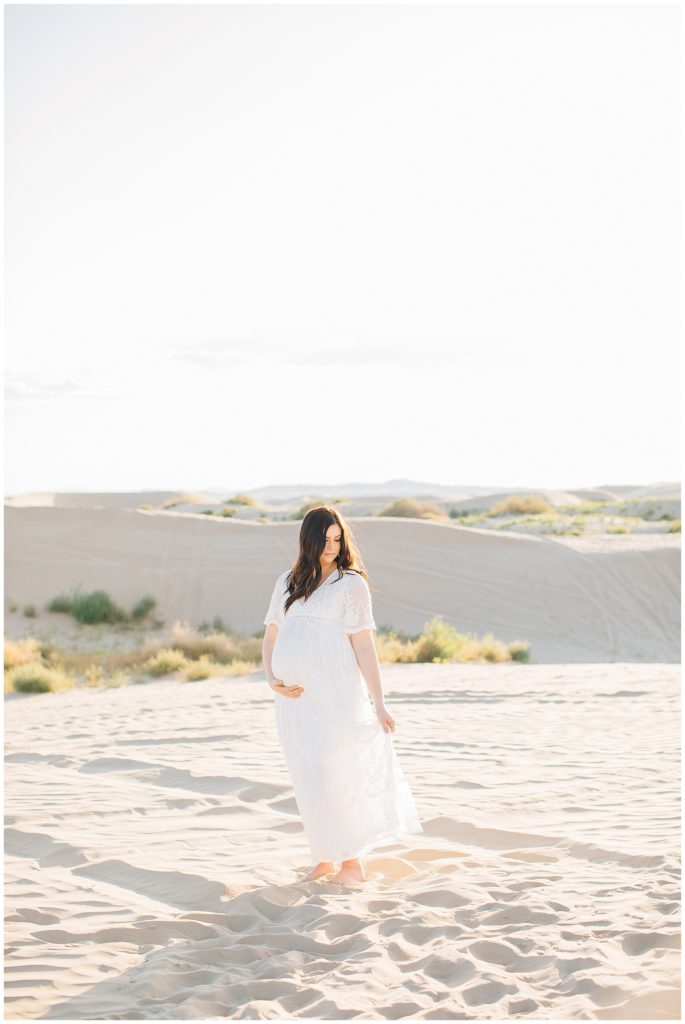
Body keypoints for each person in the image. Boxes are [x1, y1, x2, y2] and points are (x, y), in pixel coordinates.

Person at [262, 504, 423, 884]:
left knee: (337, 772)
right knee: (308, 775)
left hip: (336, 695)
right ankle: (323, 858)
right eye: (325, 539)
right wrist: (272, 679)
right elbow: (271, 635)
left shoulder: (350, 583)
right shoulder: (287, 581)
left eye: (338, 540)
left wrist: (379, 702)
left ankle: (352, 862)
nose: (332, 547)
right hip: (294, 701)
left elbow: (364, 646)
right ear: (309, 539)